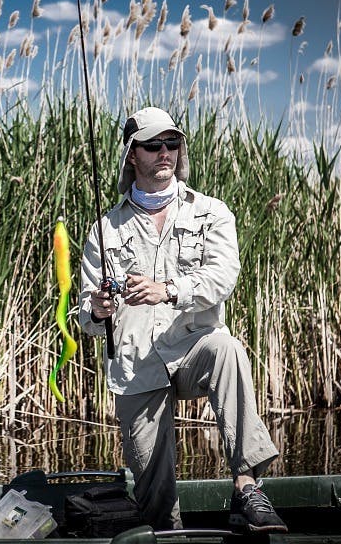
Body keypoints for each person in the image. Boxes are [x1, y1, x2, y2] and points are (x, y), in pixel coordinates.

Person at [78, 106, 287, 534]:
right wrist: (98, 311)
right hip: (137, 367)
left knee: (226, 348)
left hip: (194, 348)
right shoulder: (105, 229)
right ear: (132, 155)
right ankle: (166, 531)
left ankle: (247, 487)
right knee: (155, 505)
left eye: (171, 143)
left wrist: (168, 289)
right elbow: (85, 316)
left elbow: (223, 277)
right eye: (153, 145)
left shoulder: (211, 212)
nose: (164, 152)